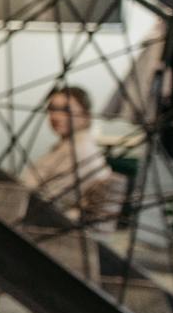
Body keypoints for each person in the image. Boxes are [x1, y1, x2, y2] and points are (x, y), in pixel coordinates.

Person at [22, 85, 113, 222]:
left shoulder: (80, 151)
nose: (55, 116)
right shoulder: (67, 147)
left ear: (85, 115)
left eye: (66, 110)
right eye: (52, 109)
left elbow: (48, 199)